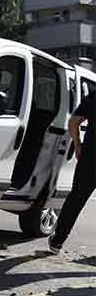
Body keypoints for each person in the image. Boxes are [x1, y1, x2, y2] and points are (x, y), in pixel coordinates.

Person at [49, 89, 96, 253]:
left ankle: (58, 240)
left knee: (76, 198)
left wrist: (78, 144)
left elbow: (74, 121)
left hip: (91, 157)